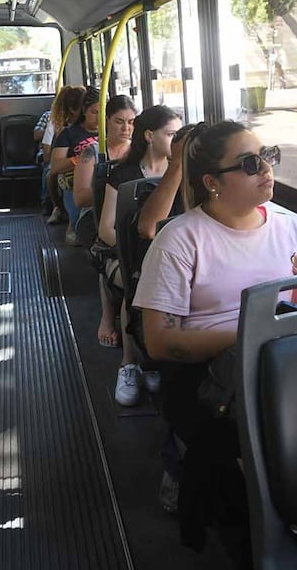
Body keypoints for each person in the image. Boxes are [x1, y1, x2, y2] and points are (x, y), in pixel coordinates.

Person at [133, 120, 296, 562]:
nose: (266, 169)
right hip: (203, 375)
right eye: (249, 163)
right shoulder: (181, 239)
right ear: (211, 182)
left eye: (268, 156)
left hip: (275, 356)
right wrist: (249, 334)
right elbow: (162, 342)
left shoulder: (286, 228)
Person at [95, 106, 179, 405]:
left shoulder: (177, 175)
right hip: (126, 253)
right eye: (171, 134)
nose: (175, 140)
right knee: (139, 281)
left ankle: (155, 357)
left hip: (167, 255)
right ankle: (129, 363)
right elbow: (105, 228)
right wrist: (135, 250)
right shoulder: (123, 175)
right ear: (149, 136)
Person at [50, 86, 100, 246]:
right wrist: (84, 159)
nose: (100, 118)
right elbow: (56, 166)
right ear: (84, 111)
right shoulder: (69, 134)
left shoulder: (110, 133)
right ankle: (75, 223)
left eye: (104, 112)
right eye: (95, 112)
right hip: (77, 178)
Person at [72, 95, 136, 211]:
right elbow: (80, 199)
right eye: (119, 122)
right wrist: (115, 188)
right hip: (95, 214)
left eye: (131, 122)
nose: (126, 128)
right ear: (107, 121)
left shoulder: (137, 150)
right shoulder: (92, 153)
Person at [45, 86, 86, 225]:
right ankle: (58, 207)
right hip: (68, 166)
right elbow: (48, 153)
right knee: (51, 174)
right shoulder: (61, 128)